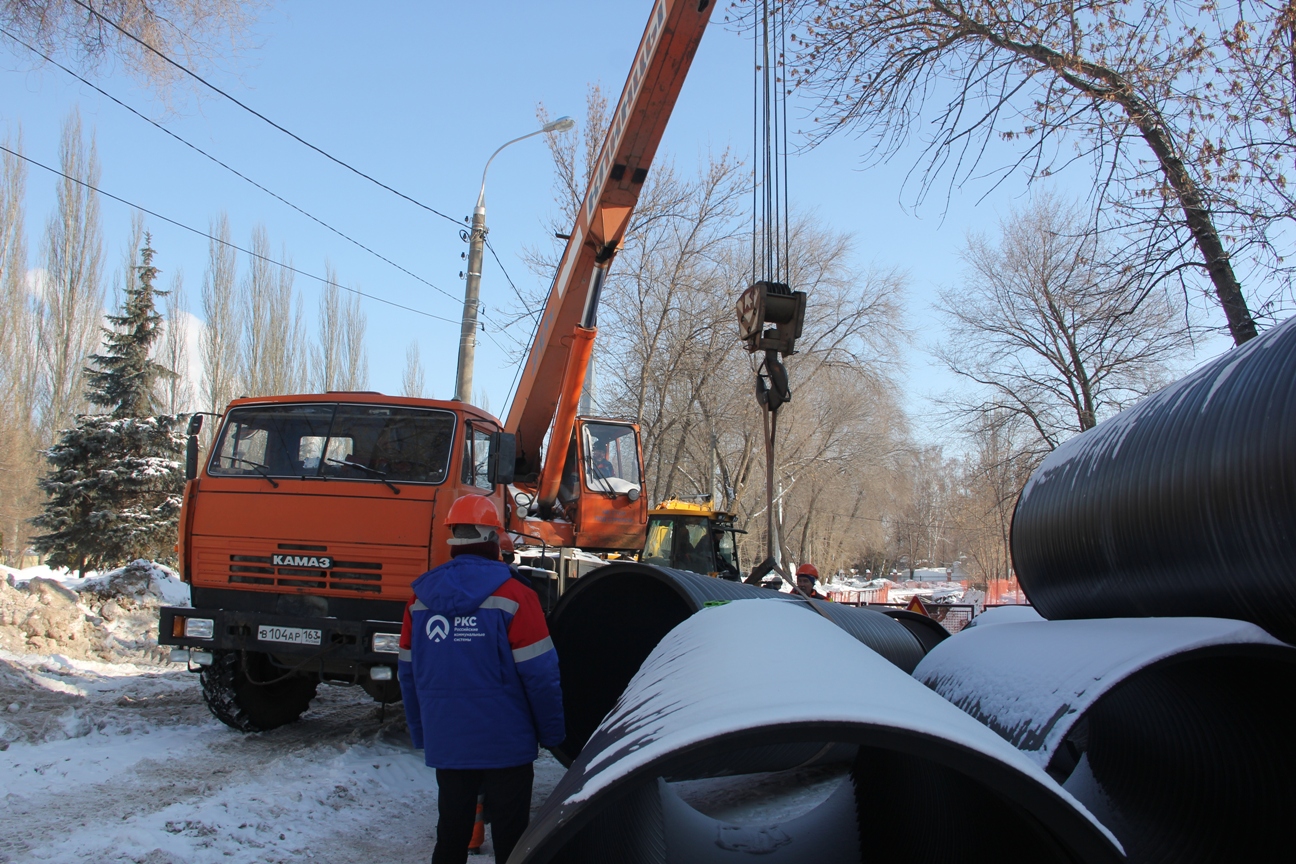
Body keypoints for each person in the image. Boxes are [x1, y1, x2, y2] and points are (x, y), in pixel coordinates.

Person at [399, 494, 565, 864]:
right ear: (495, 539)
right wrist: (552, 734)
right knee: (513, 844)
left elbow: (408, 673)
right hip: (507, 744)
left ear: (453, 540)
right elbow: (540, 674)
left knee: (451, 836)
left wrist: (422, 732)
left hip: (450, 743)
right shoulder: (517, 595)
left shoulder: (419, 600)